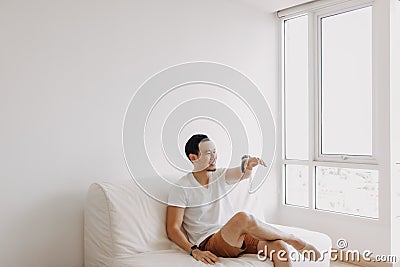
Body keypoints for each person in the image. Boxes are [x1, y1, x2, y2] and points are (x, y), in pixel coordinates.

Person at [166, 134, 320, 266]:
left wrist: (248, 165)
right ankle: (293, 239)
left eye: (214, 152)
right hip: (209, 242)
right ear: (193, 157)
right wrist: (195, 251)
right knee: (242, 218)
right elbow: (173, 228)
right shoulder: (182, 187)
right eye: (207, 153)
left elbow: (242, 173)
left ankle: (287, 241)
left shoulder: (219, 175)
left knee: (279, 248)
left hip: (234, 235)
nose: (214, 157)